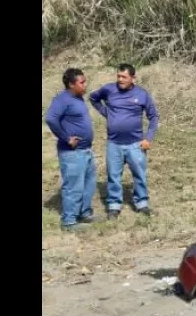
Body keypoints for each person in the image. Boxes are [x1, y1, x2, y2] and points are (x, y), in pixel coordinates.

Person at [89, 63, 160, 219]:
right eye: (118, 76)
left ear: (133, 78)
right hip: (114, 143)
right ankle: (114, 205)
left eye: (124, 77)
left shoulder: (142, 94)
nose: (120, 79)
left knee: (139, 175)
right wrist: (105, 112)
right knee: (114, 176)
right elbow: (93, 98)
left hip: (136, 144)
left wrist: (148, 138)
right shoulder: (108, 89)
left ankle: (142, 203)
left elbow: (153, 117)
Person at [45, 68, 98, 231]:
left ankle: (84, 213)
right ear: (71, 84)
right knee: (73, 186)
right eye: (82, 82)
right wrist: (67, 138)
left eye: (85, 81)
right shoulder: (62, 99)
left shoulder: (78, 98)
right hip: (72, 153)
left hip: (86, 150)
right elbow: (50, 118)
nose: (85, 84)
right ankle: (69, 221)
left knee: (88, 184)